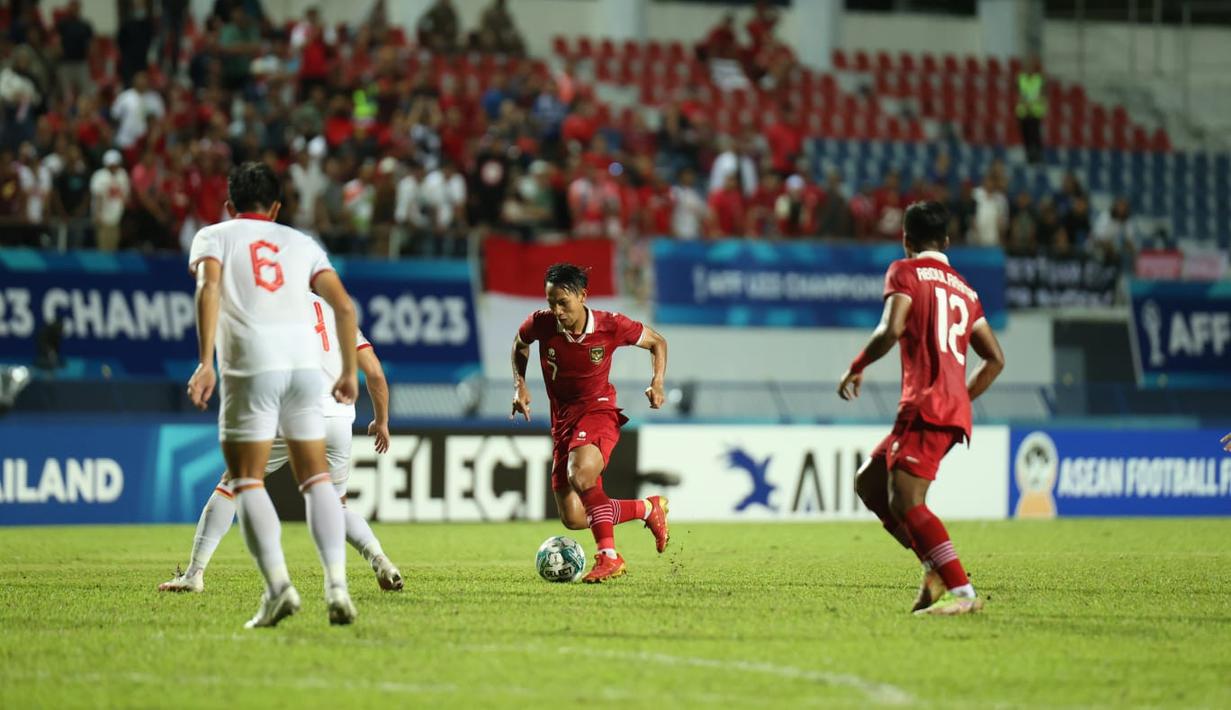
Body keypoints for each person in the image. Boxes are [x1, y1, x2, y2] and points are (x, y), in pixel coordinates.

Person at [185, 161, 359, 628]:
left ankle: (279, 587)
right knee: (316, 480)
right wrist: (348, 371)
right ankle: (337, 587)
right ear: (277, 207)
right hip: (305, 372)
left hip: (251, 366)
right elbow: (344, 306)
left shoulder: (214, 236)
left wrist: (205, 361)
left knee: (245, 480)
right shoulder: (303, 244)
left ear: (230, 205)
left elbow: (209, 287)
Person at [160, 295, 403, 595]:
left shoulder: (272, 306)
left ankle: (194, 574)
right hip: (338, 419)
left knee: (233, 484)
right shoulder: (337, 311)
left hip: (293, 413)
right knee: (337, 507)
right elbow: (375, 373)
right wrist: (381, 421)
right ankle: (380, 560)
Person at [837, 201, 1005, 616]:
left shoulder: (905, 271)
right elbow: (995, 359)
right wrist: (959, 398)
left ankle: (961, 591)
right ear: (946, 241)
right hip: (947, 408)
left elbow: (891, 328)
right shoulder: (966, 290)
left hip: (925, 405)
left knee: (907, 500)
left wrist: (857, 365)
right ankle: (934, 569)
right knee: (870, 482)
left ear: (905, 240)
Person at [511, 263, 670, 583]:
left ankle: (609, 556)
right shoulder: (541, 323)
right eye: (551, 303)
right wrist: (520, 385)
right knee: (572, 516)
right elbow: (520, 343)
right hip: (563, 421)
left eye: (563, 303)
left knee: (581, 473)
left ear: (583, 296)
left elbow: (657, 342)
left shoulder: (611, 325)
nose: (557, 311)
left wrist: (657, 382)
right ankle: (647, 509)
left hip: (598, 411)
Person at [1016, 56, 1046, 164]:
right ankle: (1029, 156)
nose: (1028, 68)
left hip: (1035, 112)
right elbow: (1018, 94)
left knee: (1035, 135)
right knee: (1026, 136)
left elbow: (1041, 94)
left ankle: (1037, 156)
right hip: (1023, 112)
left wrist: (1030, 102)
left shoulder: (1039, 79)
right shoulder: (1021, 79)